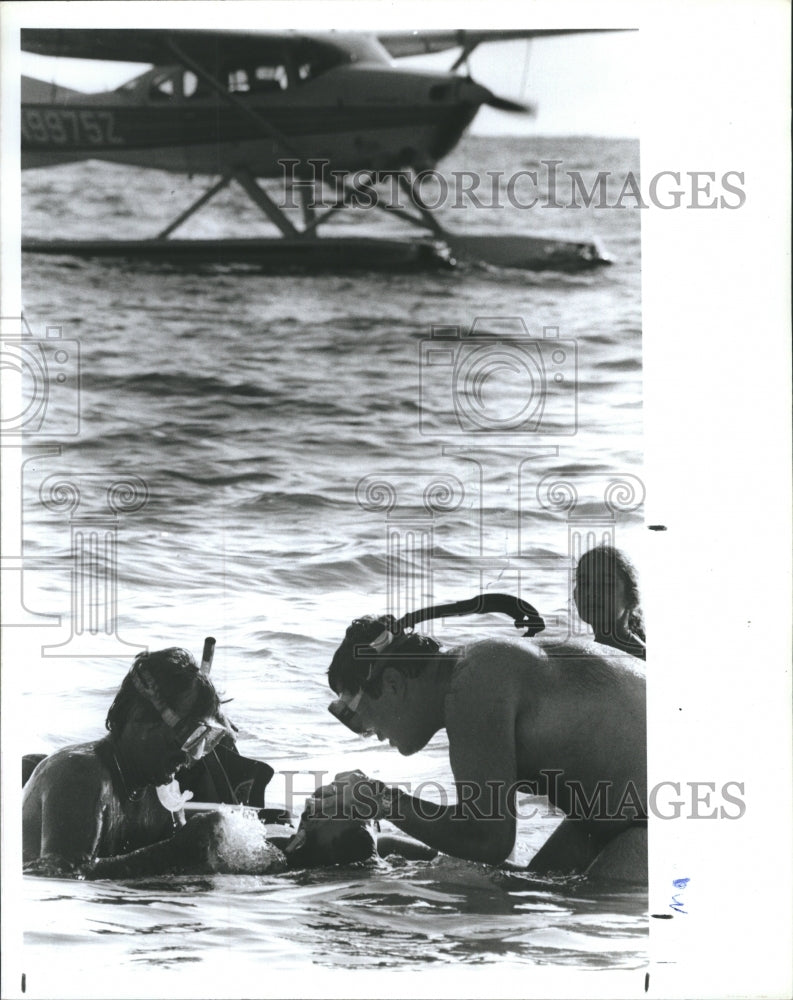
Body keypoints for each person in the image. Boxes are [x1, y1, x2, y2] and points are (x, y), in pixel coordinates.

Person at [321, 615, 647, 880]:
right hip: (609, 816)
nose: (370, 733)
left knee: (555, 908)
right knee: (531, 886)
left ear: (392, 684)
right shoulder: (472, 671)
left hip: (654, 820)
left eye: (364, 719)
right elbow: (485, 840)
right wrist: (397, 849)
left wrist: (380, 799)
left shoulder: (473, 684)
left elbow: (489, 840)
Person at [23, 647, 285, 878]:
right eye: (189, 736)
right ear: (139, 717)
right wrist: (175, 852)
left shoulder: (162, 791)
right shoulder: (79, 775)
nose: (191, 756)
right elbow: (60, 875)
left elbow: (179, 863)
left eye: (205, 740)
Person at [573, 545, 646, 660]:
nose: (592, 593)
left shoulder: (644, 661)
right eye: (584, 583)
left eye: (606, 584)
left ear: (632, 598)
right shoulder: (588, 655)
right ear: (574, 595)